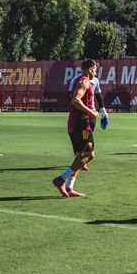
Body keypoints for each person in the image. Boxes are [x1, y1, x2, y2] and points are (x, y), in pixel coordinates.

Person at [53, 59, 100, 198]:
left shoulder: (80, 80)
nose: (96, 72)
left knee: (80, 156)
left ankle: (69, 187)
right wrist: (91, 112)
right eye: (95, 69)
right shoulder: (84, 82)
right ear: (90, 69)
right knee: (90, 155)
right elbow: (76, 100)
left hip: (75, 122)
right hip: (81, 124)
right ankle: (61, 179)